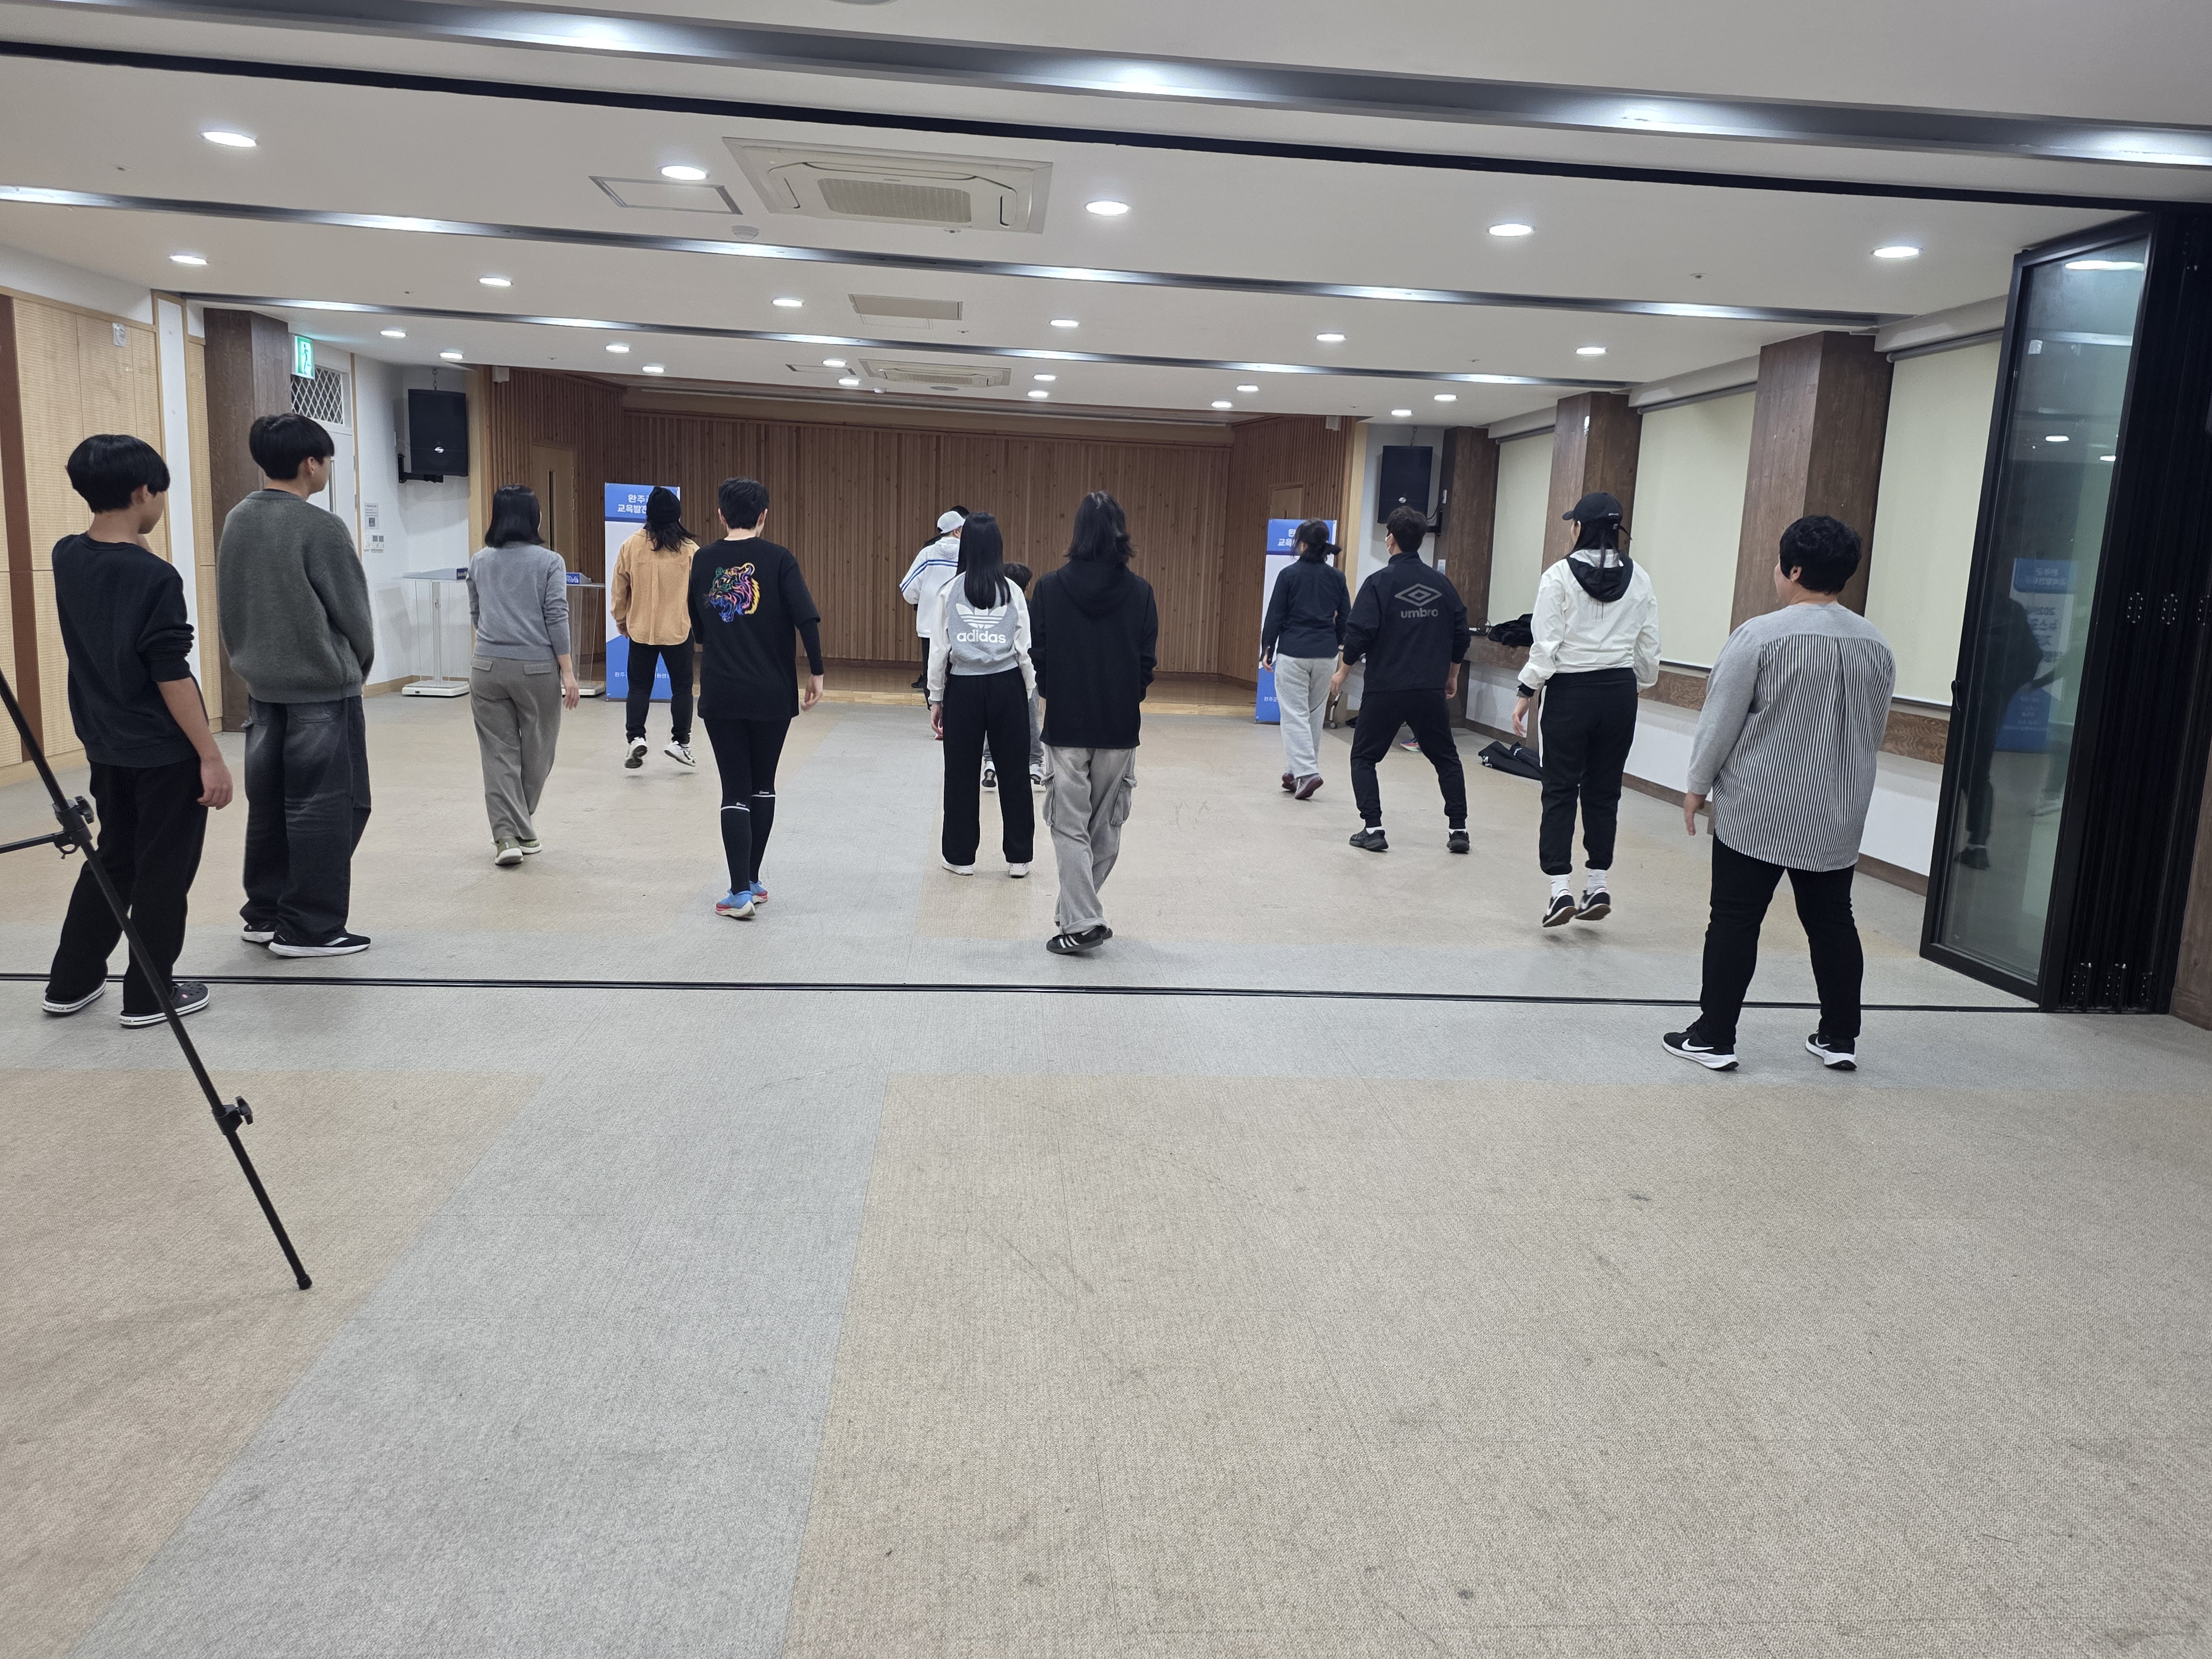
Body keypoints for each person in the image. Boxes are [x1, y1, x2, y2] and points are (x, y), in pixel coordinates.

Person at [1664, 515, 1896, 1073]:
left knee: (1735, 919)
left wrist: (1697, 785)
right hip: (1838, 810)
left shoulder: (1760, 636)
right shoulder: (1875, 644)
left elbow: (1720, 720)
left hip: (1760, 806)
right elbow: (1873, 728)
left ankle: (1714, 1036)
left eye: (1777, 563)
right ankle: (1838, 1036)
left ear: (1793, 570)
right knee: (1832, 921)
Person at [40, 434, 232, 1026]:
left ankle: (70, 982)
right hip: (164, 750)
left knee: (115, 859)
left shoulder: (67, 554)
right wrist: (210, 755)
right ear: (144, 491)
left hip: (105, 741)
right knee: (163, 871)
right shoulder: (156, 578)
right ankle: (150, 994)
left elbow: (119, 565)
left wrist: (138, 536)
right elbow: (170, 673)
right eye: (161, 495)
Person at [218, 410, 375, 958]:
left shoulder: (238, 519)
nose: (327, 467)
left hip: (262, 688)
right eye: (327, 459)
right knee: (331, 807)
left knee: (270, 806)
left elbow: (230, 603)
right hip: (321, 689)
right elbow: (354, 615)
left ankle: (265, 913)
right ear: (311, 463)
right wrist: (355, 667)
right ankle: (310, 927)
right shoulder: (321, 527)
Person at [1512, 491, 1661, 926]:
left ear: (1580, 528)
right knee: (1605, 790)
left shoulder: (1558, 576)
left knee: (1560, 789)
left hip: (1570, 692)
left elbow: (1546, 645)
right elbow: (1649, 646)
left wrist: (1526, 691)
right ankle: (1598, 883)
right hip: (1619, 692)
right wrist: (1637, 684)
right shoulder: (1640, 577)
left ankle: (1559, 891)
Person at [690, 476, 823, 920]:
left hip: (722, 689)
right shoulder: (780, 558)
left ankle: (738, 893)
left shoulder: (703, 559)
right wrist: (817, 673)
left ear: (721, 515)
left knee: (734, 788)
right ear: (764, 515)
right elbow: (806, 618)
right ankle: (751, 880)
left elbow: (698, 623)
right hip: (773, 690)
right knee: (763, 784)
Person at [1031, 491, 1157, 956]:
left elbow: (1039, 656)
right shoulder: (1142, 592)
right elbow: (1146, 663)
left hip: (1067, 723)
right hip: (1119, 726)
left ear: (1078, 532)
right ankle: (1079, 917)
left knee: (1069, 826)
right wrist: (1126, 697)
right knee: (1105, 827)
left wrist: (1056, 692)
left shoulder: (1049, 588)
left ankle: (1081, 919)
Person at [1331, 505, 1471, 854]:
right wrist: (1452, 676)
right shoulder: (1442, 585)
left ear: (1390, 538)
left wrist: (1343, 671)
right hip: (1429, 689)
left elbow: (1359, 633)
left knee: (1364, 757)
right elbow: (1461, 635)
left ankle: (1373, 828)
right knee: (1446, 758)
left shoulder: (1379, 583)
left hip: (1386, 688)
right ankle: (1459, 830)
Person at [467, 484, 579, 866]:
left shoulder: (480, 560)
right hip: (536, 669)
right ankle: (517, 828)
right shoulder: (550, 562)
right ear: (535, 518)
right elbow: (556, 616)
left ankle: (508, 836)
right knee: (539, 752)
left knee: (497, 753)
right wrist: (568, 672)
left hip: (486, 667)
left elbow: (477, 613)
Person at [927, 513, 1035, 877]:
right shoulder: (1013, 591)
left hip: (964, 688)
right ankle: (1019, 858)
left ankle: (960, 858)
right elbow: (1024, 650)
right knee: (1015, 772)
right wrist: (1028, 692)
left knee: (960, 774)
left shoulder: (949, 591)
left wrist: (936, 698)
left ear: (967, 546)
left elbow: (939, 650)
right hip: (1008, 685)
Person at [1260, 519, 1352, 800]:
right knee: (1313, 713)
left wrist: (1267, 648)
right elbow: (1345, 617)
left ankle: (1308, 773)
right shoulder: (1337, 578)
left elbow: (1275, 614)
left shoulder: (1289, 575)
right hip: (1326, 654)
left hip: (1294, 652)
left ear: (1301, 544)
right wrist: (1340, 644)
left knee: (1294, 715)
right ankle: (1295, 772)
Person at [610, 485, 698, 771]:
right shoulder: (690, 550)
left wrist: (621, 619)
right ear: (677, 515)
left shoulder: (631, 545)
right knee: (682, 688)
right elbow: (700, 593)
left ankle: (636, 737)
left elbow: (619, 587)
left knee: (638, 687)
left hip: (641, 629)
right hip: (678, 629)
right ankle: (680, 742)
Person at [899, 508, 964, 693]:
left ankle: (933, 706)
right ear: (957, 531)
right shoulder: (969, 554)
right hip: (960, 625)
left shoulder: (927, 554)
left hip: (930, 625)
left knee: (932, 672)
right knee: (958, 673)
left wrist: (925, 601)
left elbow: (908, 590)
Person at [1002, 561, 1045, 787]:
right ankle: (1035, 762)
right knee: (1031, 718)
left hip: (1001, 671)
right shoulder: (1032, 610)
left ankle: (990, 760)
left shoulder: (997, 607)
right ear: (1028, 586)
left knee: (994, 719)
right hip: (1028, 669)